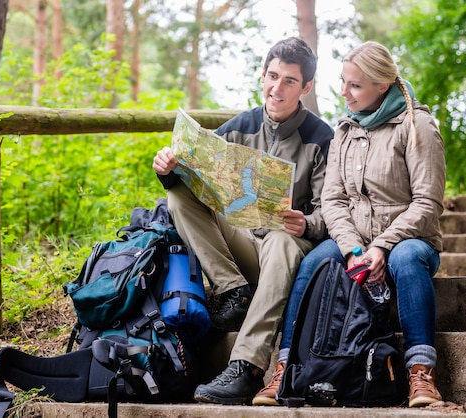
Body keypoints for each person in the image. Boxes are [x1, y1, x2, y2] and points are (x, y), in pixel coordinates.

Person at [252, 40, 446, 408]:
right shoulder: (344, 130)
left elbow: (427, 203)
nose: (344, 92)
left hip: (410, 240)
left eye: (355, 85)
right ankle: (284, 370)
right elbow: (334, 201)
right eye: (343, 82)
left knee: (405, 260)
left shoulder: (417, 125)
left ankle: (421, 373)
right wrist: (354, 249)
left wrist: (382, 247)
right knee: (312, 264)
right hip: (354, 240)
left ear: (382, 86)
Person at [152, 37, 333, 405]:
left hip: (286, 252)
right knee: (178, 195)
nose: (276, 88)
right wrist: (169, 171)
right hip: (242, 248)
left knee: (282, 239)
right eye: (272, 76)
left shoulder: (321, 137)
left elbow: (331, 212)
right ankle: (233, 290)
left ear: (307, 87)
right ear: (262, 75)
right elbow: (196, 184)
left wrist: (308, 224)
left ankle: (247, 368)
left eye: (289, 81)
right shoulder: (239, 128)